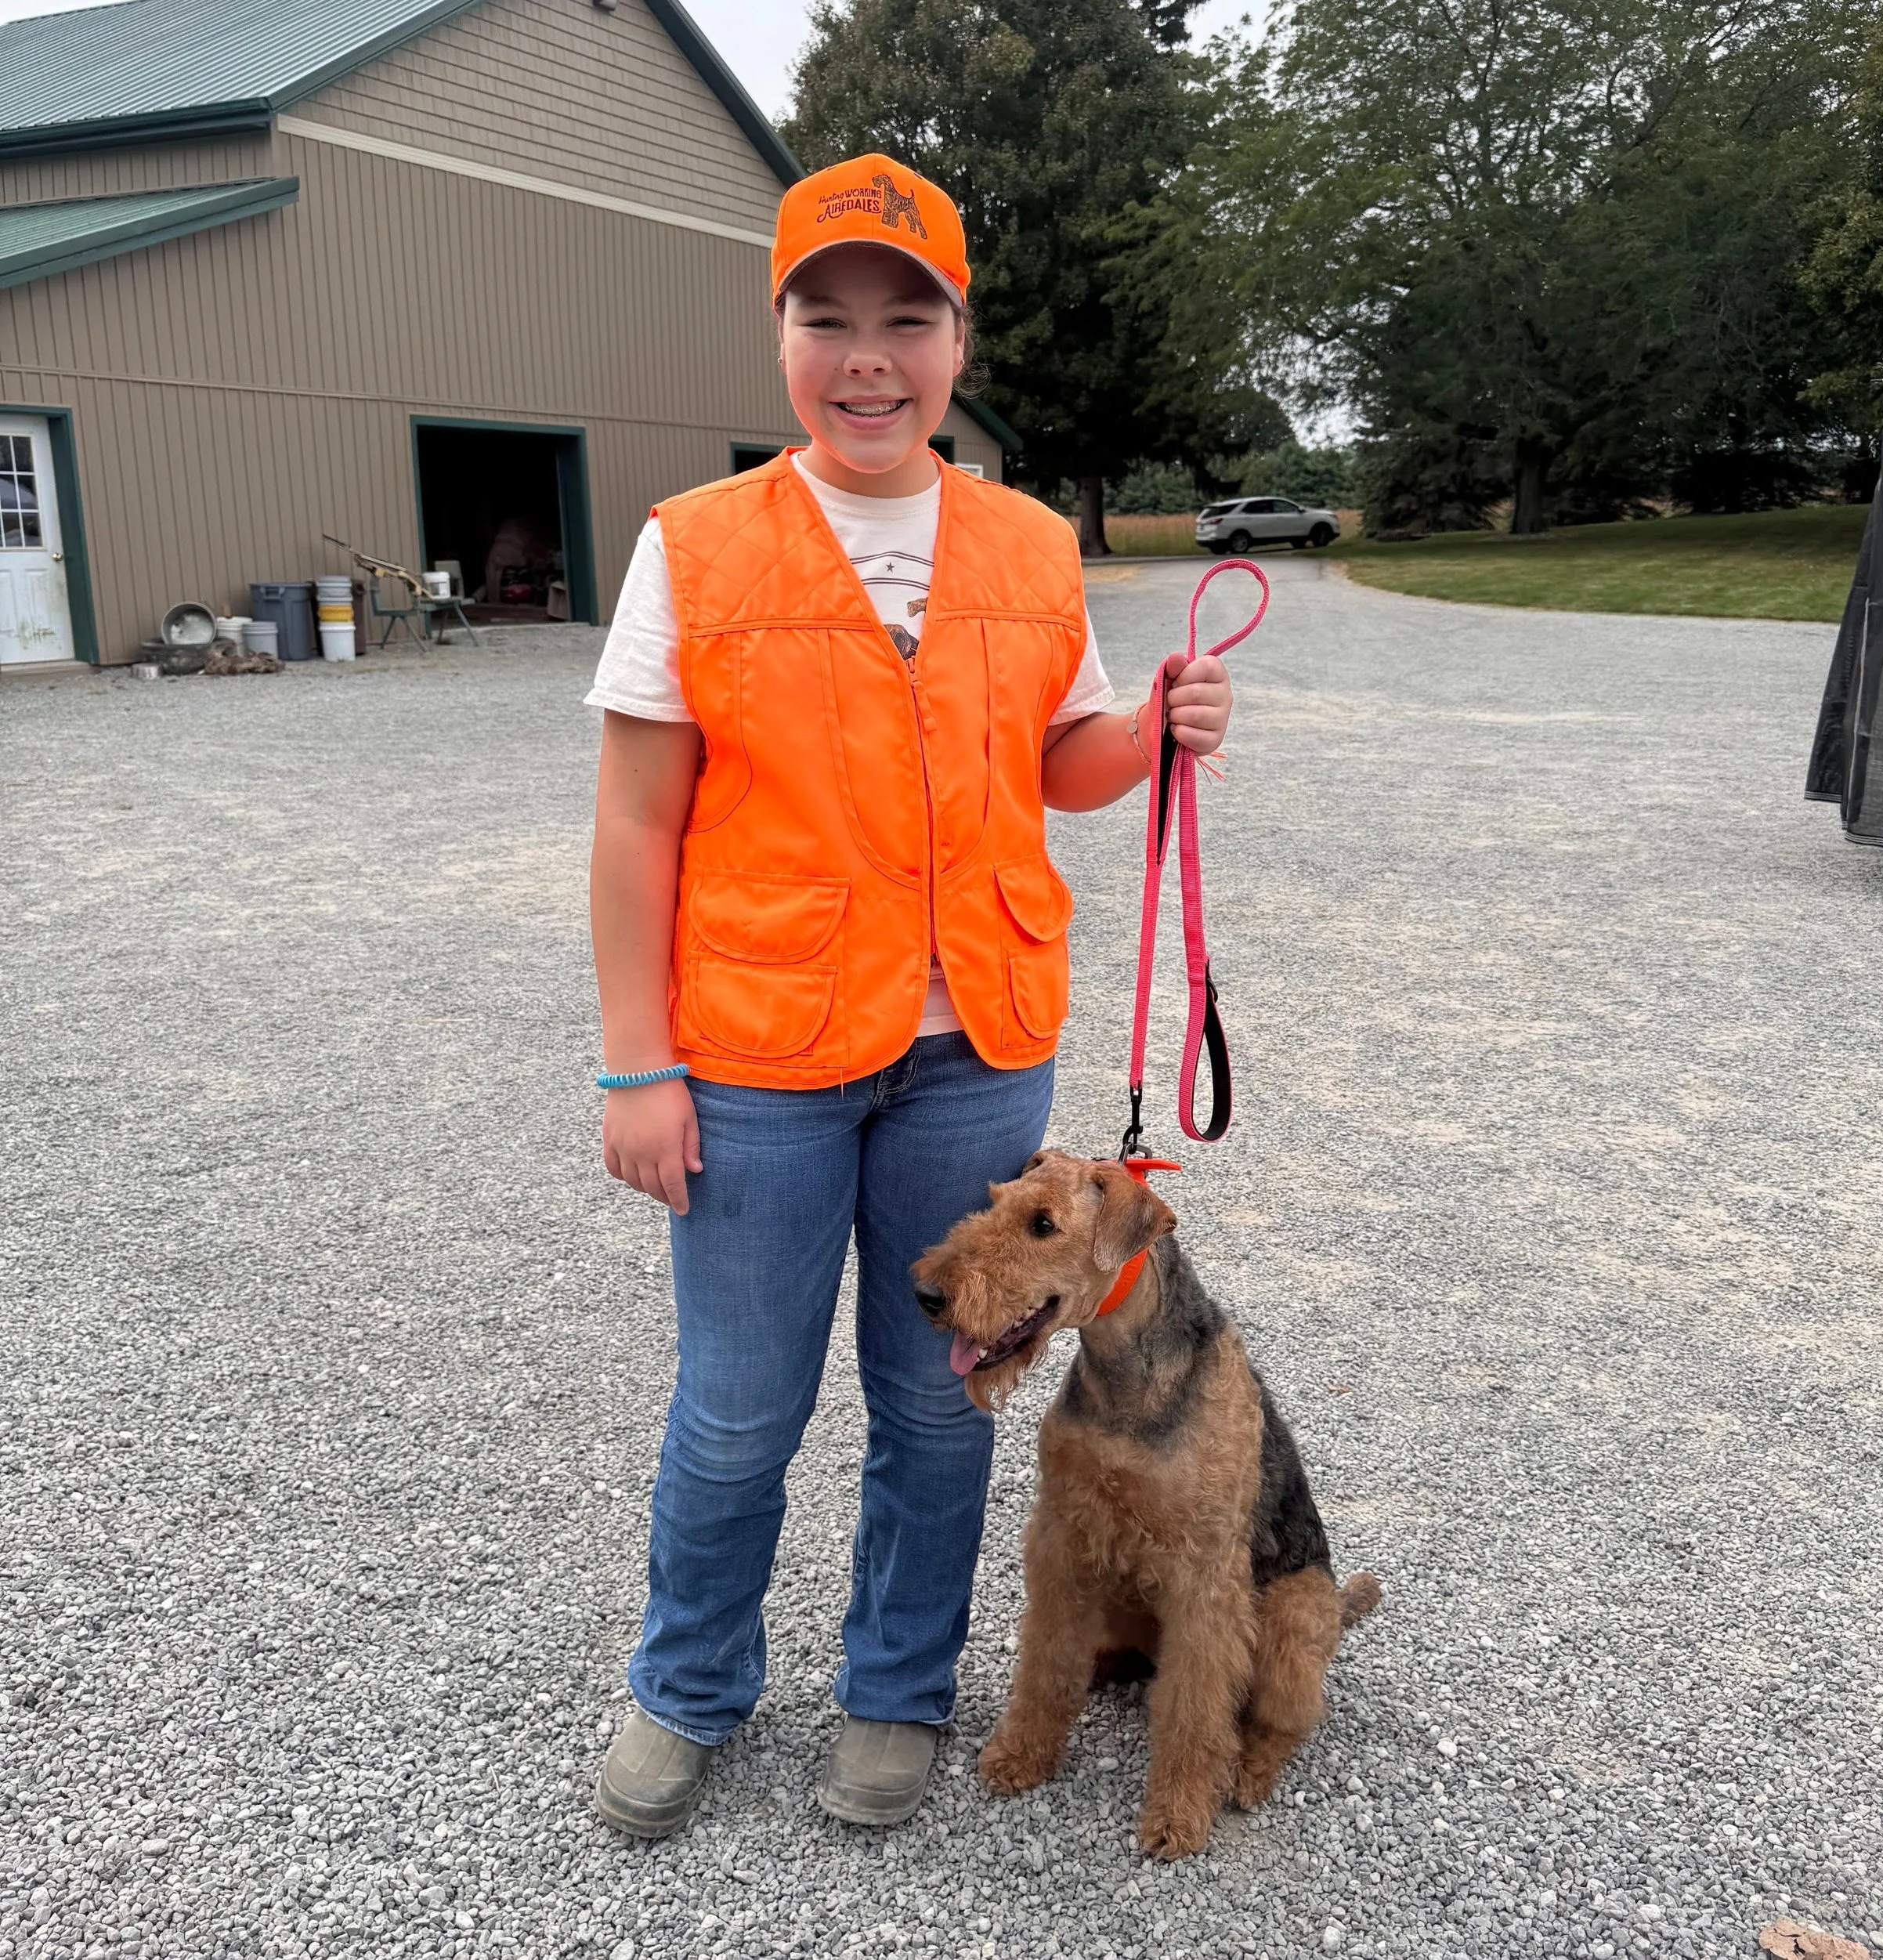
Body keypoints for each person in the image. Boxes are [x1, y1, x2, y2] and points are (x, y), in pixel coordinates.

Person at [584, 153, 1233, 1839]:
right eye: (827, 319)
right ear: (781, 334)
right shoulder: (695, 549)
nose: (865, 357)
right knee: (736, 1413)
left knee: (940, 1404)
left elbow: (1064, 766)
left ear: (957, 342)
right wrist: (632, 1067)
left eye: (904, 320)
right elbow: (635, 821)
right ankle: (689, 1688)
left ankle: (893, 1690)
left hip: (972, 1062)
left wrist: (1152, 725)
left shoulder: (1025, 542)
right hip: (759, 1059)